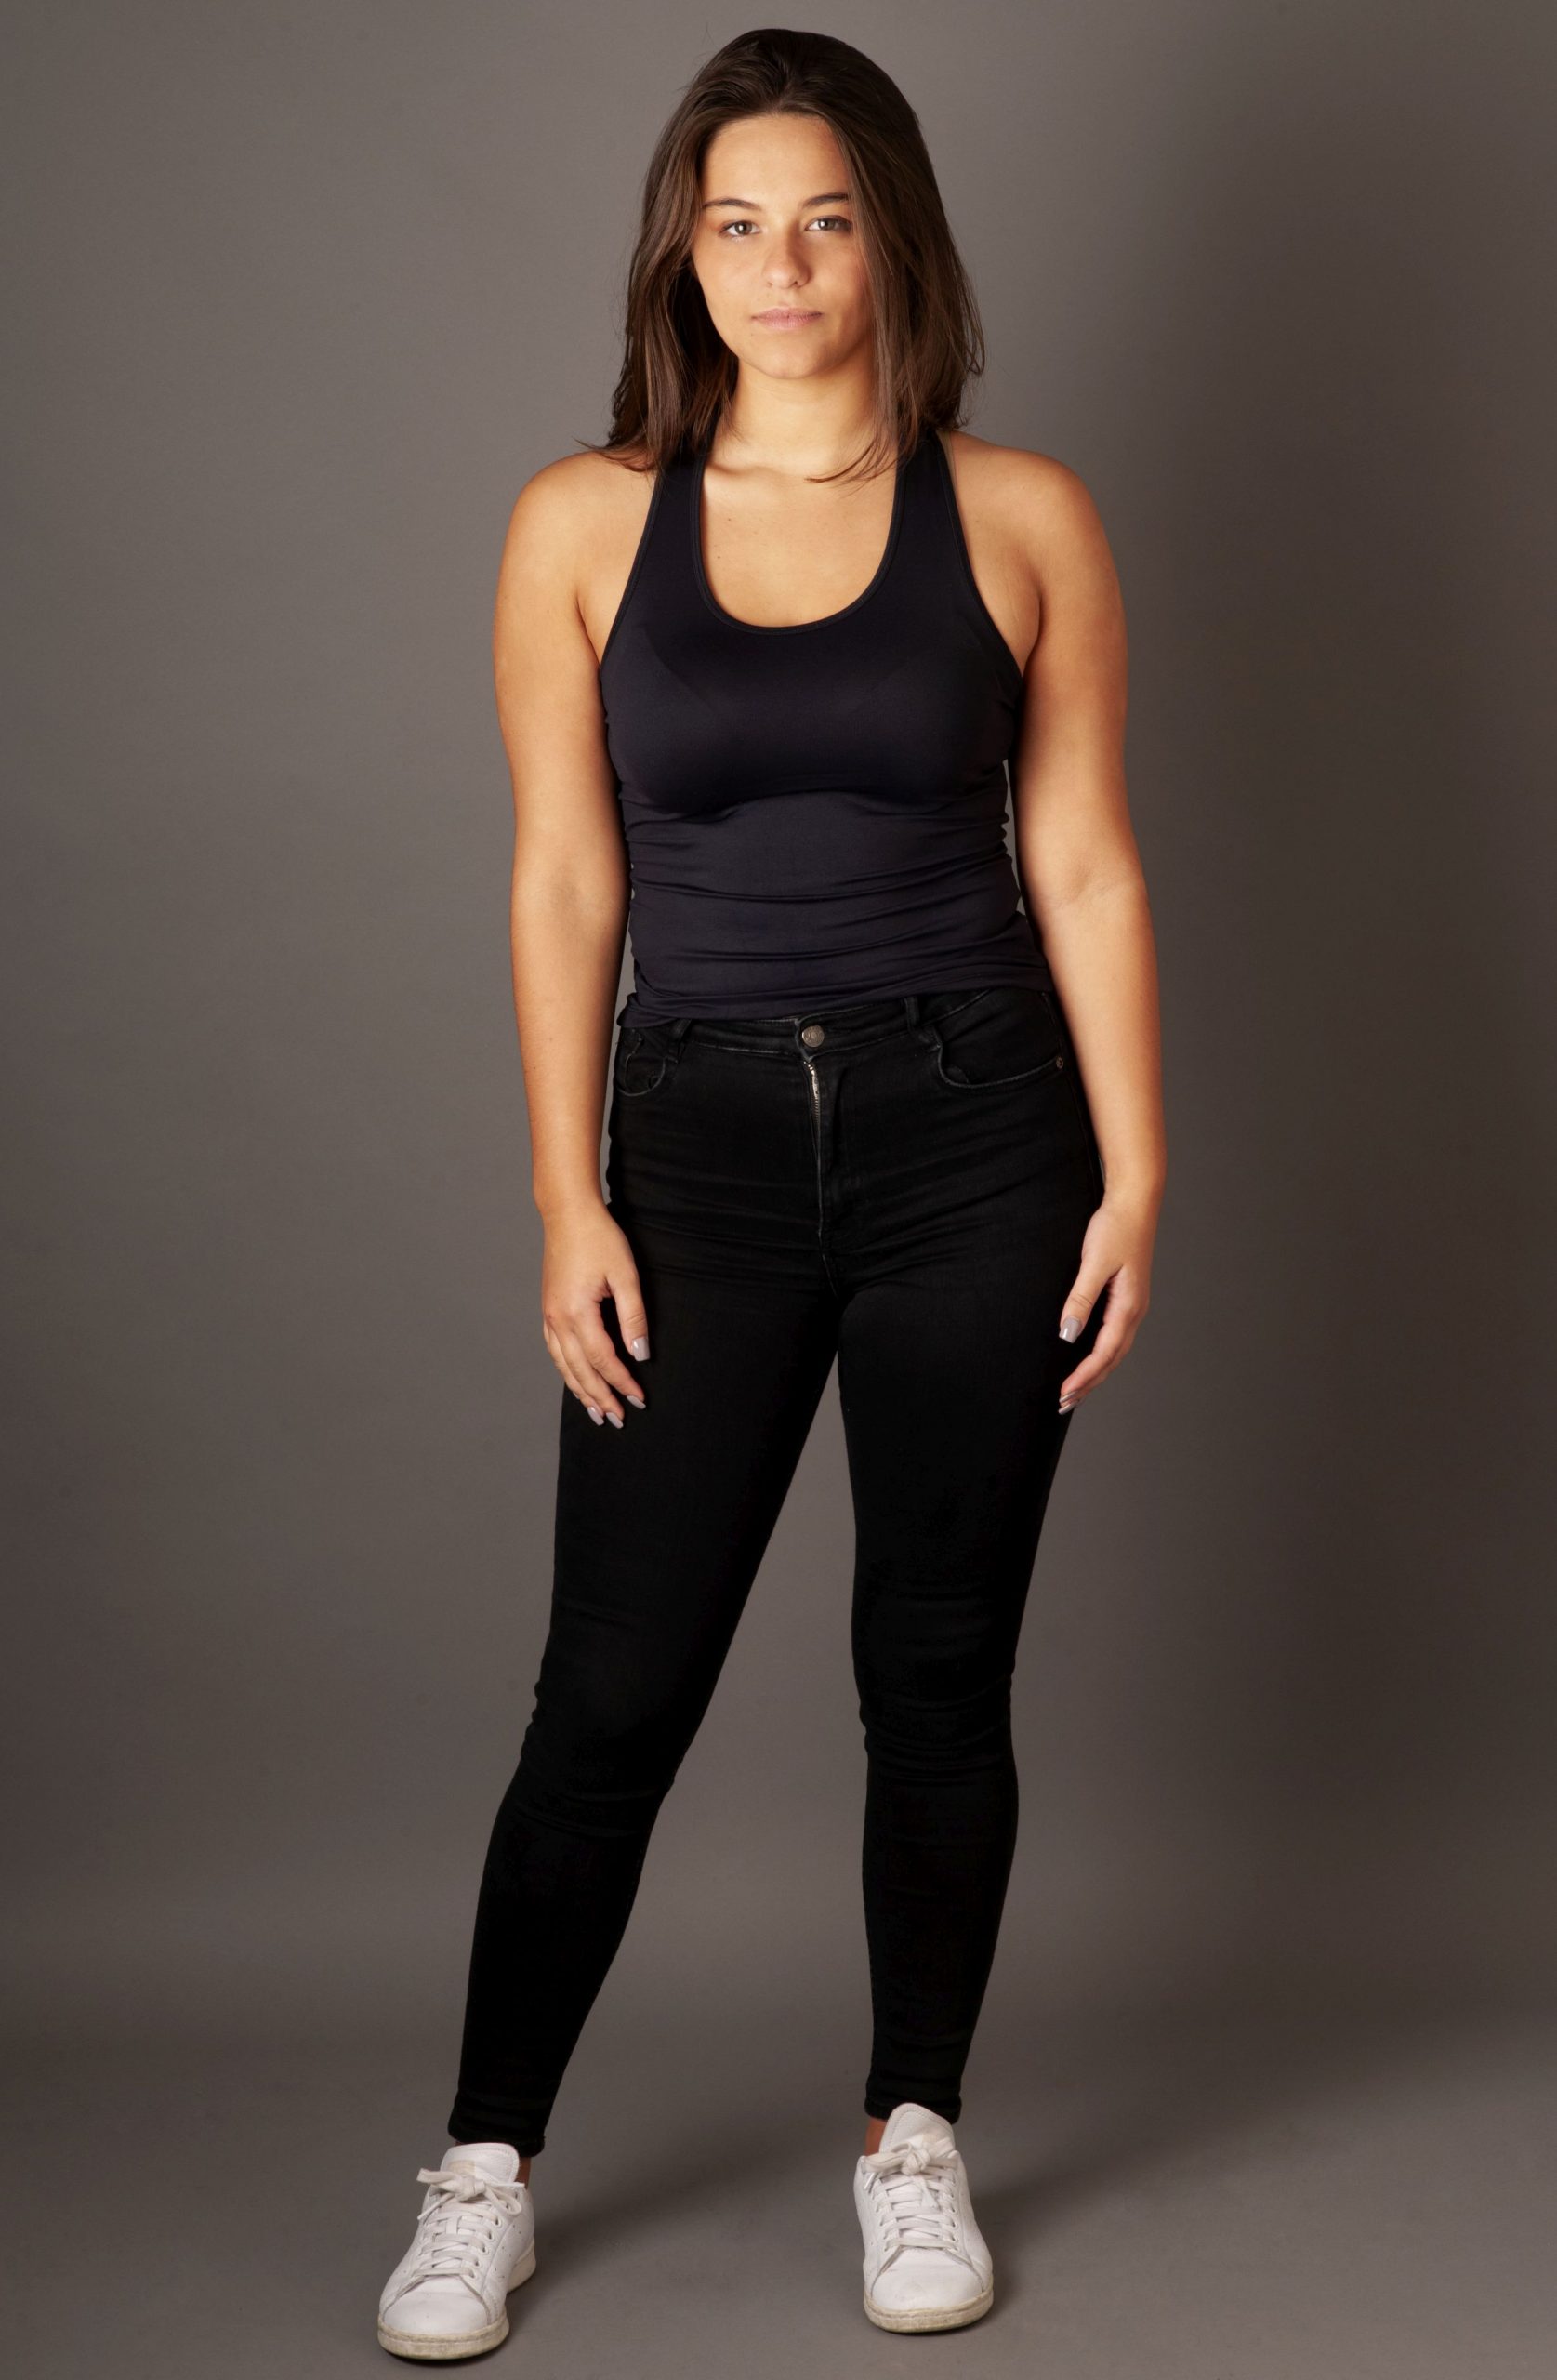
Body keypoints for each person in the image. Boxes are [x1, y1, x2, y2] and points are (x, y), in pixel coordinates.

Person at [376, 26, 1164, 2360]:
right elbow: (560, 877)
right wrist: (566, 1192)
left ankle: (911, 2130)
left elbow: (1084, 858)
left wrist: (1138, 1169)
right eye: (735, 223)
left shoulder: (1019, 513)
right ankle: (482, 2162)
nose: (781, 264)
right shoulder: (577, 522)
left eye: (824, 219)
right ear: (682, 253)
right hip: (695, 1150)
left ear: (890, 239)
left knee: (935, 1666)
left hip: (977, 1134)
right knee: (610, 1686)